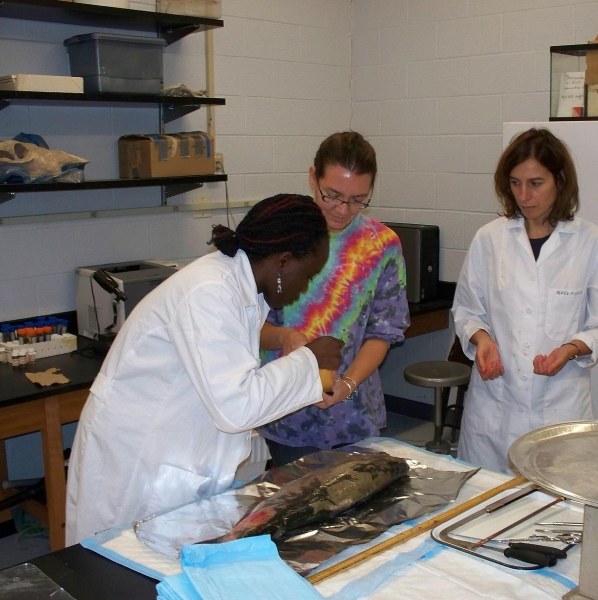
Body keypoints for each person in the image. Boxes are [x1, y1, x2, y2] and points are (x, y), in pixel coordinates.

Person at [66, 194, 344, 545]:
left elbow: (226, 346)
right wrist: (311, 362)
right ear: (283, 261)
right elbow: (236, 406)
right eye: (307, 276)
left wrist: (287, 341)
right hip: (136, 459)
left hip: (172, 446)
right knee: (123, 563)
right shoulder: (209, 289)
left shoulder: (239, 283)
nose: (304, 289)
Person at [452, 128, 598, 474]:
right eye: (515, 183)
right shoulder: (490, 239)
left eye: (535, 183)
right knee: (483, 507)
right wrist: (482, 339)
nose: (524, 196)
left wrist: (571, 349)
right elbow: (467, 310)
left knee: (555, 512)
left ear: (559, 181)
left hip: (559, 407)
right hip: (495, 406)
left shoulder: (590, 243)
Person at [258, 132, 410, 466]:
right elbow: (247, 324)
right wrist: (286, 336)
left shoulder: (381, 245)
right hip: (285, 409)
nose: (343, 210)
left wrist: (349, 384)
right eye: (332, 195)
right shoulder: (277, 236)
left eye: (358, 199)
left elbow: (383, 333)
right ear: (313, 177)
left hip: (353, 412)